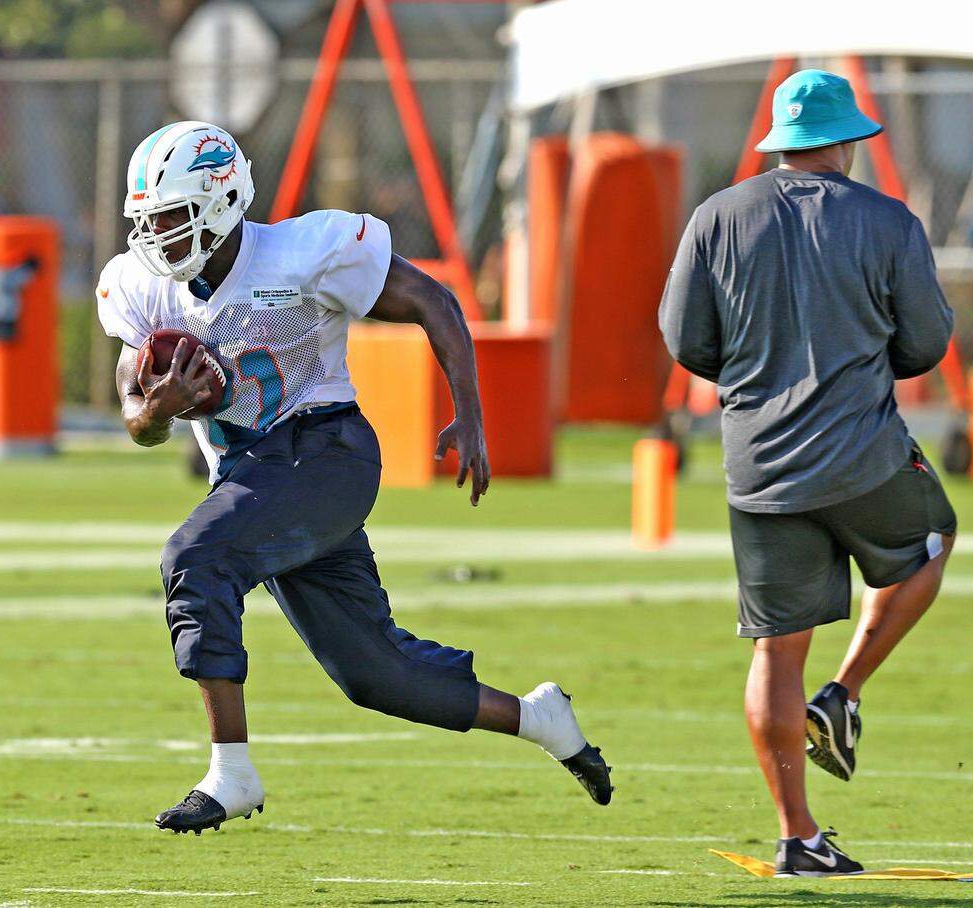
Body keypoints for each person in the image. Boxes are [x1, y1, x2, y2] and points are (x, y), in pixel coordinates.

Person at [96, 121, 612, 835]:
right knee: (377, 676)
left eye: (172, 220)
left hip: (326, 450)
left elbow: (433, 301)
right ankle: (541, 720)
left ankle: (231, 771)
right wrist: (158, 407)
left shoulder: (304, 252)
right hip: (254, 478)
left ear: (220, 202)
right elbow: (136, 419)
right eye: (147, 222)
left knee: (196, 557)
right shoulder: (143, 288)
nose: (157, 239)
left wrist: (470, 414)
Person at [659, 71, 956, 877]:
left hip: (757, 466)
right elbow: (925, 346)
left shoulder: (716, 215)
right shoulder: (887, 221)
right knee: (932, 539)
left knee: (775, 652)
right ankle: (847, 690)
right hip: (862, 456)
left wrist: (758, 375)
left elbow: (686, 340)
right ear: (848, 142)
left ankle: (798, 838)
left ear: (779, 144)